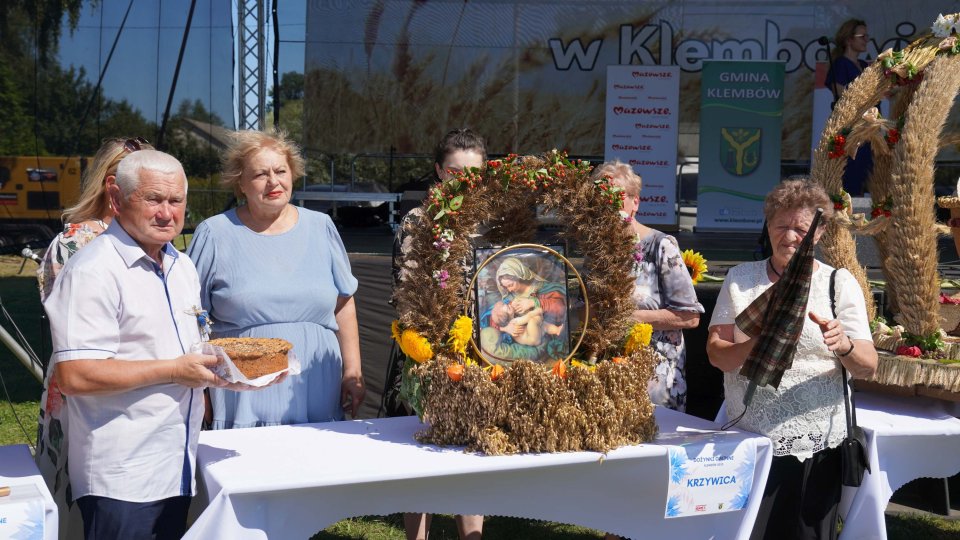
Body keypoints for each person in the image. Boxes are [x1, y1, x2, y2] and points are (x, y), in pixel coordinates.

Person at [43, 149, 233, 539]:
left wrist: (229, 370)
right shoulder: (93, 271)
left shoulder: (181, 265)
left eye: (176, 200)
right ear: (116, 199)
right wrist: (175, 371)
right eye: (153, 199)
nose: (166, 213)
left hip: (177, 464)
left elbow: (185, 348)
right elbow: (76, 375)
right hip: (123, 476)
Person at [706, 178, 878, 540]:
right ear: (767, 225)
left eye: (801, 229)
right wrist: (758, 341)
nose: (789, 237)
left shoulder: (838, 283)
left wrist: (843, 345)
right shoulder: (741, 279)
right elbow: (717, 355)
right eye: (781, 225)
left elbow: (868, 365)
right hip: (749, 440)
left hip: (816, 446)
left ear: (819, 233)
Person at [187, 128, 365, 429]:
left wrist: (353, 371)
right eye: (260, 174)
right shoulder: (214, 233)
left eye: (280, 171)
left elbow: (344, 303)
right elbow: (191, 317)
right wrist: (198, 387)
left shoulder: (321, 226)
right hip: (243, 390)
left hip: (318, 384)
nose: (273, 182)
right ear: (240, 183)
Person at [34, 136, 152, 540]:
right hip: (85, 381)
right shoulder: (74, 243)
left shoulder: (153, 236)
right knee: (80, 493)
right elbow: (67, 324)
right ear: (109, 182)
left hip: (143, 381)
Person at [384, 128, 487, 540]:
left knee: (473, 455)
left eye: (473, 173)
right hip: (426, 354)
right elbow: (406, 294)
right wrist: (438, 350)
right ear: (440, 172)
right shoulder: (418, 221)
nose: (464, 181)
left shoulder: (490, 224)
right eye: (455, 172)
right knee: (420, 457)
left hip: (482, 355)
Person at [595, 160, 703, 412]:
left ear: (635, 202)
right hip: (608, 379)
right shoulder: (597, 251)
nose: (608, 204)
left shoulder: (660, 246)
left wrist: (627, 318)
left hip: (655, 383)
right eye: (600, 199)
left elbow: (690, 316)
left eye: (617, 197)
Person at [826, 18, 873, 196]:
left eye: (867, 36)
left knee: (867, 174)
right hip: (852, 128)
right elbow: (841, 96)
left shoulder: (864, 66)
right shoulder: (840, 64)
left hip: (868, 128)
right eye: (862, 36)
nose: (866, 40)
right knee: (852, 174)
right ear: (848, 39)